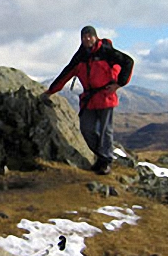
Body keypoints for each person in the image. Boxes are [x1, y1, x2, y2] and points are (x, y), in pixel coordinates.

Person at [42, 26, 134, 175]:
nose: (87, 39)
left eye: (90, 36)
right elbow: (66, 73)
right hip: (89, 100)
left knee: (106, 131)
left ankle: (105, 162)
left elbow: (128, 62)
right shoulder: (80, 56)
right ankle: (101, 156)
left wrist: (118, 84)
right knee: (86, 129)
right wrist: (51, 91)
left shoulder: (107, 52)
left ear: (95, 37)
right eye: (84, 36)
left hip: (105, 97)